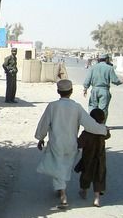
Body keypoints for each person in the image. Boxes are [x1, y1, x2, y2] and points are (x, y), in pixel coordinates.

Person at [35, 79, 108, 209]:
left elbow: (44, 124)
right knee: (63, 167)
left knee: (57, 165)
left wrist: (41, 138)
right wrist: (103, 130)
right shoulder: (77, 107)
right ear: (71, 91)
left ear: (58, 91)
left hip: (56, 143)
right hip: (71, 144)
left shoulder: (52, 106)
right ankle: (61, 189)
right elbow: (90, 124)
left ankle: (63, 195)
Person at [75, 108, 110, 207]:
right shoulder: (103, 131)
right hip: (100, 159)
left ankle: (84, 191)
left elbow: (79, 144)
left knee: (86, 175)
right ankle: (97, 199)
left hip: (88, 159)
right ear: (103, 119)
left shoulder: (86, 133)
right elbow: (108, 135)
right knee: (99, 177)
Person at [83, 53, 123, 121]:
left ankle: (91, 123)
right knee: (103, 109)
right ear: (107, 59)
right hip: (104, 91)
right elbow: (115, 81)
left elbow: (88, 79)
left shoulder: (93, 67)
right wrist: (121, 81)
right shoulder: (110, 68)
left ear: (99, 59)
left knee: (92, 107)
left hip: (94, 90)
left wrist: (85, 89)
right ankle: (101, 124)